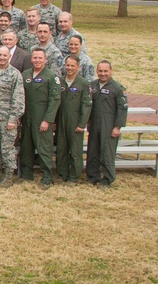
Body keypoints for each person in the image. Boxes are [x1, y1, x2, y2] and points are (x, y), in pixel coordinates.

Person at [19, 47, 61, 189]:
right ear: (31, 59)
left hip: (41, 118)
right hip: (27, 117)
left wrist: (48, 120)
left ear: (45, 60)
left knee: (44, 148)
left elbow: (55, 100)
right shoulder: (25, 74)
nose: (37, 60)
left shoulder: (51, 77)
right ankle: (26, 174)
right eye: (35, 58)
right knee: (26, 146)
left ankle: (47, 177)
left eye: (40, 58)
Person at [0, 46, 25, 188]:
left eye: (4, 55)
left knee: (7, 147)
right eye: (0, 55)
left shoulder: (14, 74)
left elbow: (18, 98)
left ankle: (8, 174)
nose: (1, 58)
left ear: (9, 57)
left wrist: (13, 118)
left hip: (7, 118)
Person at [86, 60, 128, 189]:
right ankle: (93, 176)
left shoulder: (117, 88)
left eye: (105, 71)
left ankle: (108, 178)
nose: (103, 74)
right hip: (94, 124)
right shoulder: (92, 85)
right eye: (100, 71)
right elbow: (89, 105)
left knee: (107, 153)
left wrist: (117, 127)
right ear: (96, 71)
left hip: (109, 125)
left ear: (111, 71)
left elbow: (122, 108)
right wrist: (88, 121)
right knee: (93, 151)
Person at [55, 55, 93, 184]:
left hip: (75, 121)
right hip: (61, 120)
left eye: (72, 66)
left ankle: (74, 176)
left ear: (78, 67)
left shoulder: (83, 83)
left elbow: (86, 105)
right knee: (61, 149)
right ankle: (62, 174)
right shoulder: (60, 81)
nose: (69, 68)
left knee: (75, 151)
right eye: (68, 65)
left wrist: (82, 123)